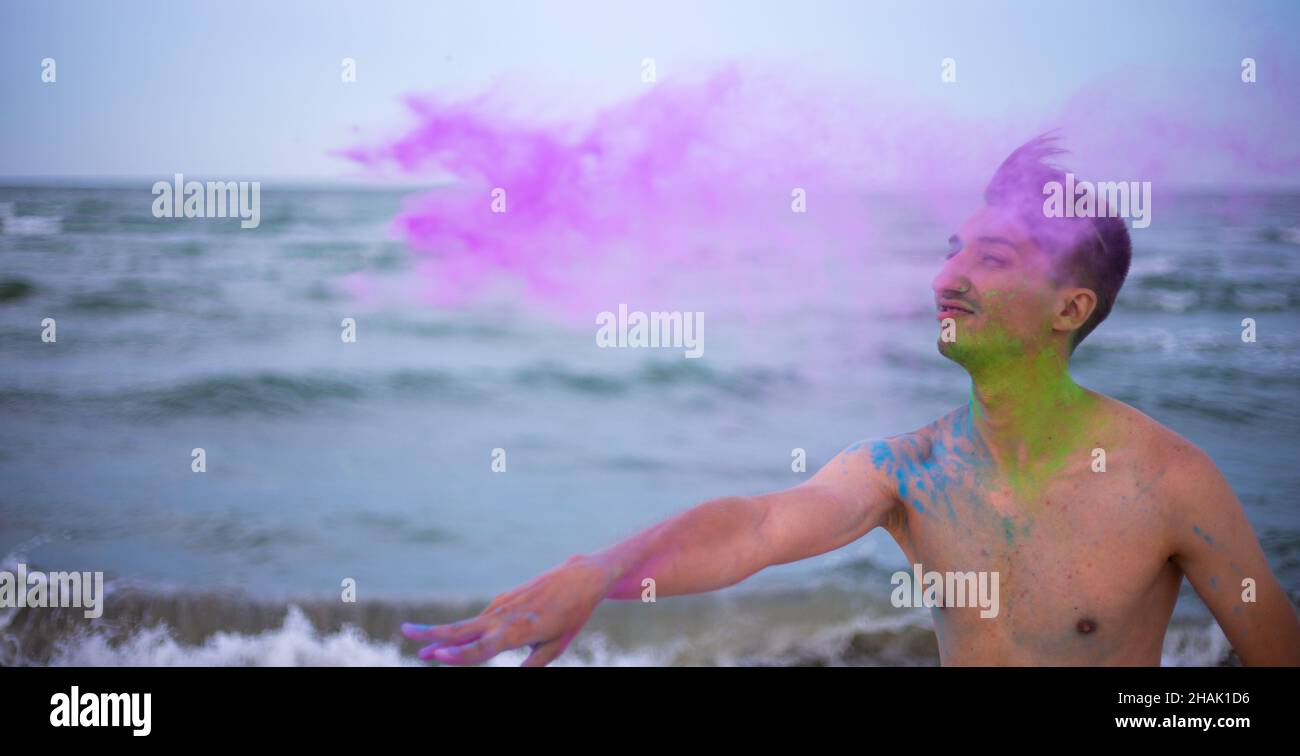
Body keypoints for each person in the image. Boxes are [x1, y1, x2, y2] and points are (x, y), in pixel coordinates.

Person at [401, 135, 1300, 666]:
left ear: (1071, 308)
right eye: (954, 249)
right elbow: (755, 529)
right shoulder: (910, 471)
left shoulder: (1171, 481)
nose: (947, 277)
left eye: (992, 260)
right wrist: (598, 573)